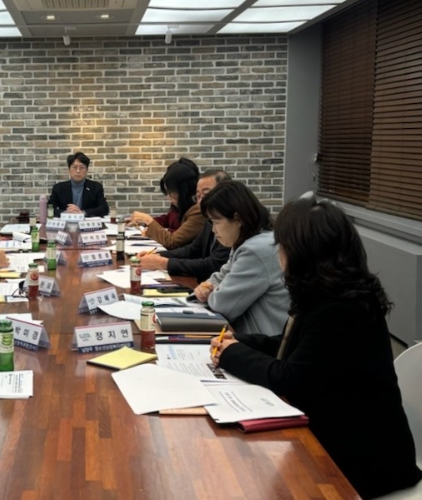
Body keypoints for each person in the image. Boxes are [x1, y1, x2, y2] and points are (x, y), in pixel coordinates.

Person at [211, 198, 422, 499]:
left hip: (364, 459)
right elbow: (294, 348)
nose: (279, 254)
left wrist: (231, 354)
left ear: (303, 253)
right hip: (338, 433)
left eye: (282, 247)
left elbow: (290, 378)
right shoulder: (327, 294)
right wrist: (241, 342)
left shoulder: (342, 309)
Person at [193, 181, 289, 336]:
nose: (213, 230)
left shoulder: (256, 250)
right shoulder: (247, 241)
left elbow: (222, 304)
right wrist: (207, 287)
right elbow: (221, 277)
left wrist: (209, 293)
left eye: (216, 222)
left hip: (265, 342)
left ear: (238, 219)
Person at [139, 170, 231, 281]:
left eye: (206, 195)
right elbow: (193, 249)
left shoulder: (231, 223)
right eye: (198, 196)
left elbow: (214, 265)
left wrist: (165, 263)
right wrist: (158, 255)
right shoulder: (209, 220)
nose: (201, 202)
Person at [130, 158, 205, 250]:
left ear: (183, 190)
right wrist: (143, 222)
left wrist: (148, 220)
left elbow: (172, 242)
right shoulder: (180, 205)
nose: (168, 197)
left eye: (171, 192)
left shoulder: (198, 212)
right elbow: (168, 219)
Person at [49, 152, 109, 217]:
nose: (78, 171)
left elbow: (104, 209)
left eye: (82, 167)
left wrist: (83, 213)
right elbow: (49, 208)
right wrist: (66, 213)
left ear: (87, 170)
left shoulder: (96, 187)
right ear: (69, 170)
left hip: (87, 222)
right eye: (74, 167)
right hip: (66, 221)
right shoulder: (59, 188)